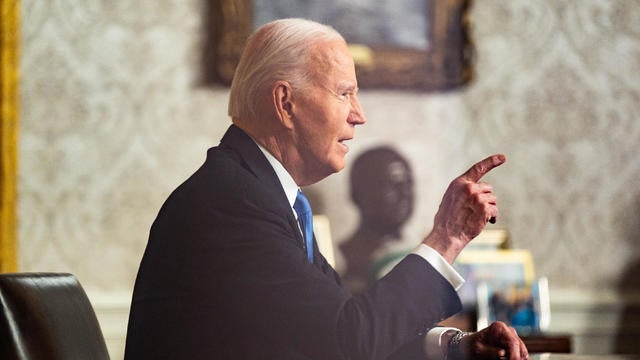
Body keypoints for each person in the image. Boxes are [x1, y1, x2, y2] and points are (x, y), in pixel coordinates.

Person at [124, 18, 528, 360]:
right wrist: (447, 237)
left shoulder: (262, 193)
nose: (360, 115)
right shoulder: (234, 203)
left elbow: (339, 326)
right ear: (285, 103)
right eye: (345, 93)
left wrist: (456, 347)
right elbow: (345, 341)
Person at [339, 146, 415, 293]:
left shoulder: (418, 254)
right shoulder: (339, 258)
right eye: (393, 184)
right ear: (357, 194)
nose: (405, 193)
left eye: (408, 184)